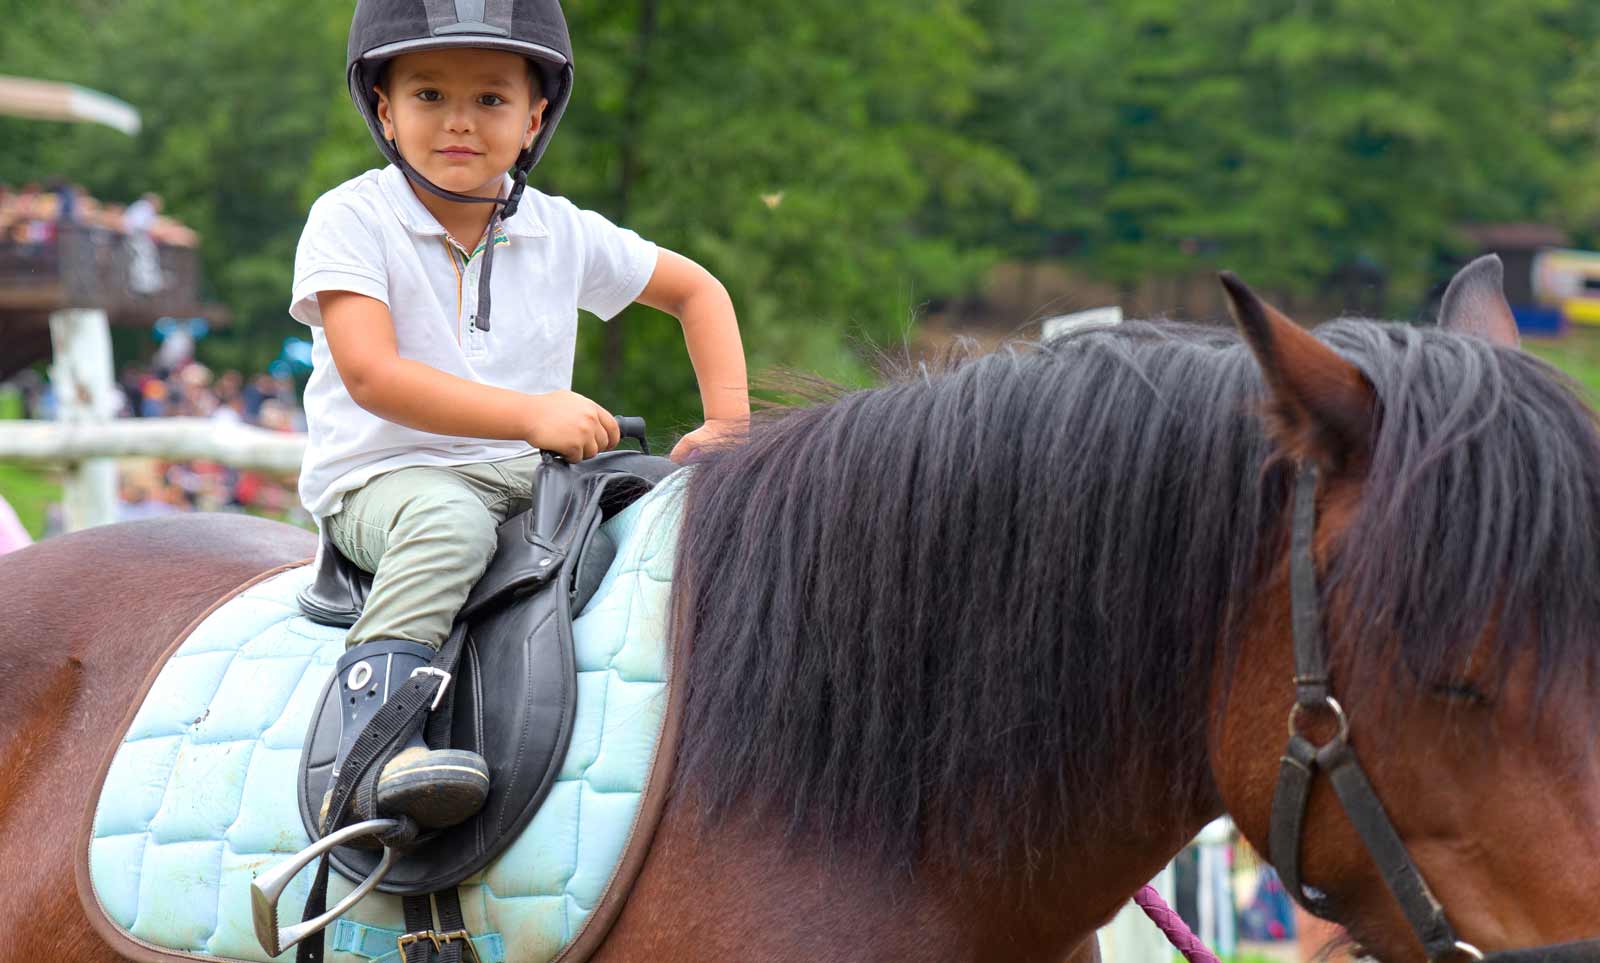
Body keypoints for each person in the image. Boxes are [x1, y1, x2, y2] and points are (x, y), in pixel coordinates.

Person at [292, 0, 748, 832]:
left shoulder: (560, 231)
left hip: (526, 472)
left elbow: (697, 292)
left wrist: (727, 427)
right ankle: (371, 743)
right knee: (448, 526)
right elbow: (371, 372)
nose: (460, 122)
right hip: (386, 476)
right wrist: (531, 413)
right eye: (429, 96)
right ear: (385, 112)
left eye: (492, 100)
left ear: (534, 119)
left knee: (668, 511)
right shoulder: (352, 217)